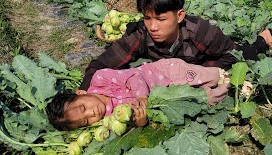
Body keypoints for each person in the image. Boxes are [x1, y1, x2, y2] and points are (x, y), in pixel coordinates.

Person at [78, 0, 272, 92]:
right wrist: (84, 91)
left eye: (161, 19)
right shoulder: (140, 33)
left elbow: (231, 57)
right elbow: (100, 65)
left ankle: (263, 39)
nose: (153, 27)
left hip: (213, 54)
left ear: (179, 15)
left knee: (246, 54)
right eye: (147, 18)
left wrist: (197, 71)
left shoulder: (202, 32)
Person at [46, 58, 230, 130]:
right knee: (204, 99)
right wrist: (141, 122)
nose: (92, 113)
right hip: (168, 98)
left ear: (80, 92)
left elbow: (133, 76)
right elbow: (132, 121)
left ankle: (224, 75)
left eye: (84, 107)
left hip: (164, 73)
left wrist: (142, 96)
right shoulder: (109, 119)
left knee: (203, 76)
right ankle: (233, 88)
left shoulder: (100, 78)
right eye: (86, 121)